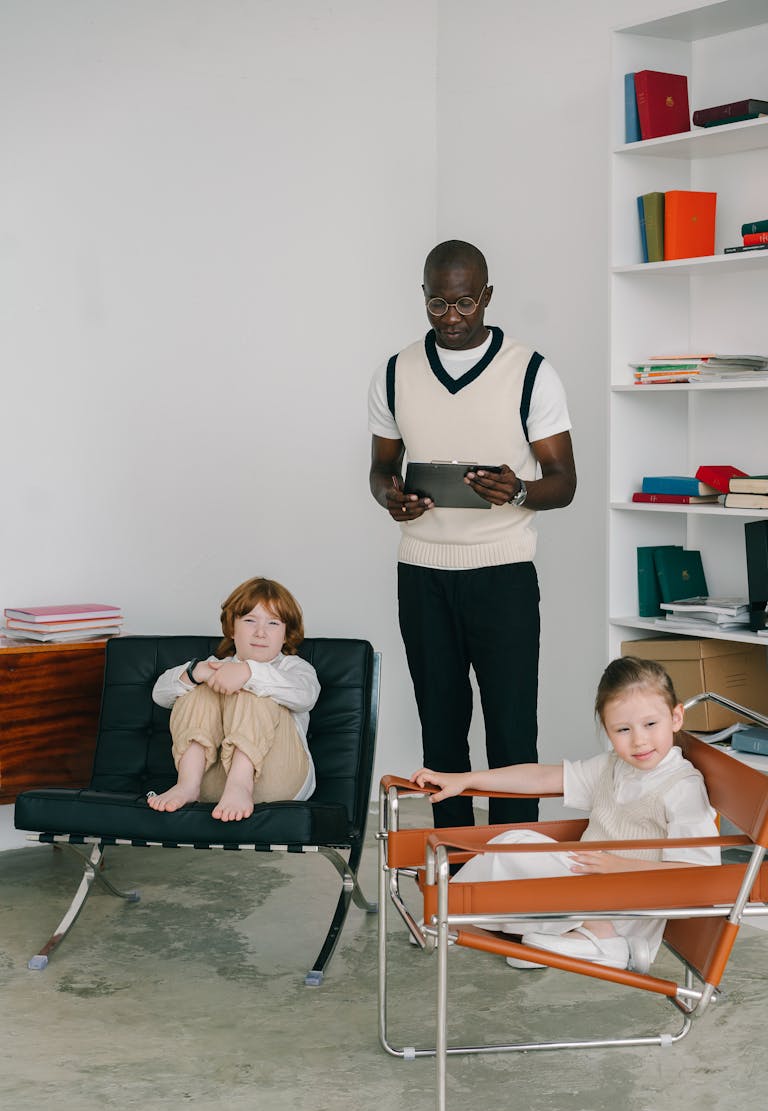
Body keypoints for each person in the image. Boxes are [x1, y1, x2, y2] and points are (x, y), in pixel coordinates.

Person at [369, 239, 577, 830]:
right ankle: (454, 871)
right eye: (437, 304)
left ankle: (513, 868)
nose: (451, 319)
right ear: (424, 298)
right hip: (423, 574)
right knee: (441, 728)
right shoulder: (395, 372)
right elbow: (380, 468)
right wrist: (391, 497)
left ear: (486, 296)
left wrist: (517, 491)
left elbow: (564, 482)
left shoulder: (532, 371)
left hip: (503, 573)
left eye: (464, 303)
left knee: (511, 731)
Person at [411, 656, 720, 972]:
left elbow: (699, 873)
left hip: (626, 904)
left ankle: (601, 939)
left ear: (676, 717)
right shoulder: (614, 765)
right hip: (587, 882)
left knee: (520, 853)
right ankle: (454, 913)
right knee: (513, 841)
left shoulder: (682, 786)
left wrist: (620, 866)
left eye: (650, 724)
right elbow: (541, 777)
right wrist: (466, 780)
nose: (639, 740)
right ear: (607, 730)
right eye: (623, 729)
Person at [148, 577, 320, 822]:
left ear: (285, 635)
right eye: (250, 620)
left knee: (254, 688)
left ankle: (241, 784)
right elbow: (160, 694)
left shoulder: (294, 668)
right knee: (198, 688)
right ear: (232, 628)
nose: (260, 632)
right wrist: (198, 672)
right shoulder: (217, 665)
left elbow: (306, 696)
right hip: (214, 786)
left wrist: (249, 672)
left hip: (278, 781)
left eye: (273, 623)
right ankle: (187, 784)